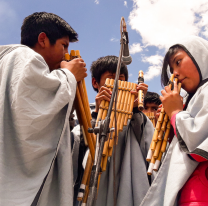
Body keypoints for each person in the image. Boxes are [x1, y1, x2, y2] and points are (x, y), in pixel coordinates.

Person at [0, 12, 87, 206]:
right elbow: (29, 113)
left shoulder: (6, 60)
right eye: (64, 45)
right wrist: (68, 75)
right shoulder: (26, 57)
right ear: (43, 39)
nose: (66, 54)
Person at [74, 55, 154, 206]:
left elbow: (148, 144)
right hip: (94, 187)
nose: (117, 84)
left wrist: (136, 111)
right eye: (111, 78)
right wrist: (97, 115)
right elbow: (78, 146)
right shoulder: (84, 110)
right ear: (95, 83)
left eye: (121, 79)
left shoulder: (132, 115)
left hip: (126, 184)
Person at [140, 36, 208, 206]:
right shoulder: (192, 99)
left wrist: (176, 113)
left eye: (178, 62)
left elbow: (197, 144)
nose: (175, 73)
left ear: (200, 55)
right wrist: (171, 129)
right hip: (188, 194)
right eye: (172, 68)